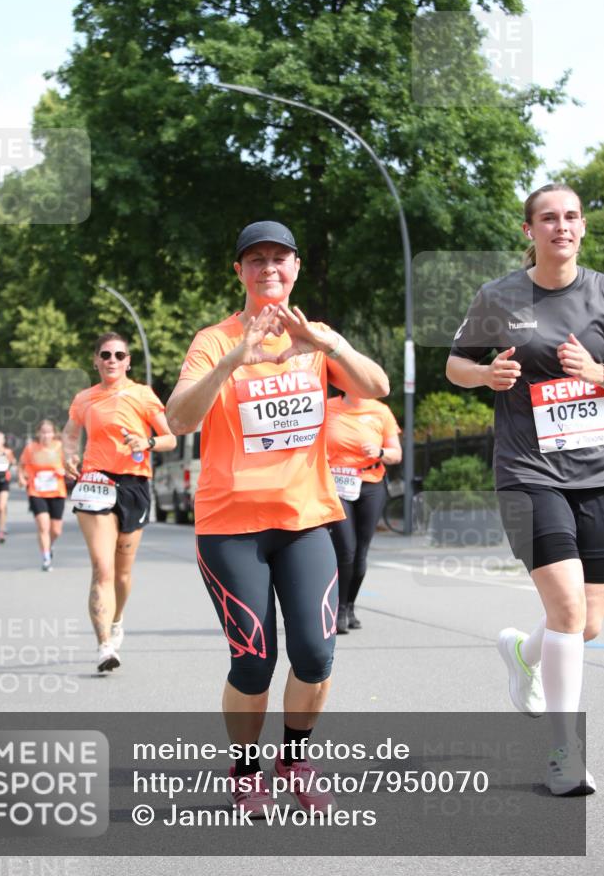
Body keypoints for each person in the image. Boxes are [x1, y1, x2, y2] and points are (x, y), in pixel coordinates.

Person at [165, 220, 389, 815]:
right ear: (239, 271)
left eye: (280, 259)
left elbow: (378, 385)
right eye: (256, 259)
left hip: (305, 518)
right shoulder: (214, 340)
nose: (269, 268)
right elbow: (179, 419)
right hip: (230, 526)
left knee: (316, 653)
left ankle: (293, 756)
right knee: (254, 658)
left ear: (294, 269)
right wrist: (233, 360)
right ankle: (244, 768)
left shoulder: (316, 337)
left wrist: (325, 344)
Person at [446, 183, 604, 796]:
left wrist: (597, 374)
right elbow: (456, 364)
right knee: (566, 609)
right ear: (529, 231)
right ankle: (565, 754)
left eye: (570, 217)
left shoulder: (601, 292)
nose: (560, 226)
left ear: (582, 227)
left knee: (588, 623)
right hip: (527, 471)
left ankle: (523, 656)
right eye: (547, 218)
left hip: (596, 473)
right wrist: (487, 373)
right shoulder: (500, 296)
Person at [62, 332, 176, 672]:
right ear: (96, 360)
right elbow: (70, 434)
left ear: (128, 361)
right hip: (95, 481)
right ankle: (104, 647)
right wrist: (67, 456)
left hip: (134, 484)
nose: (112, 360)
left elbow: (170, 438)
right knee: (103, 568)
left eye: (118, 355)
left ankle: (117, 618)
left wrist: (147, 441)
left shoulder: (142, 395)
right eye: (105, 354)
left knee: (123, 573)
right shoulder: (84, 399)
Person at [326, 392, 402, 633]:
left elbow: (396, 454)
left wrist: (379, 452)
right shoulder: (327, 407)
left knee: (360, 552)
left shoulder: (380, 411)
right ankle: (337, 611)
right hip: (337, 483)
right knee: (345, 549)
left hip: (370, 483)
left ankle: (349, 606)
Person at [19, 420, 67, 572]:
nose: (46, 435)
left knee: (56, 530)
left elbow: (69, 465)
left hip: (57, 491)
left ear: (54, 433)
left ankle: (50, 545)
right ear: (38, 433)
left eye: (49, 432)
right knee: (43, 526)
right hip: (37, 491)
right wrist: (21, 477)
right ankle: (46, 557)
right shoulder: (31, 448)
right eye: (43, 432)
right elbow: (22, 465)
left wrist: (64, 471)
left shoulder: (60, 447)